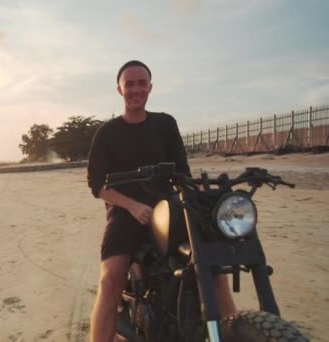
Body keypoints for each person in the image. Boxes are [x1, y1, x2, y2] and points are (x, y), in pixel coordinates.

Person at [86, 60, 235, 341]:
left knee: (213, 270)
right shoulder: (107, 133)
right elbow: (97, 186)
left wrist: (202, 195)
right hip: (124, 213)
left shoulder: (166, 124)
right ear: (119, 90)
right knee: (109, 281)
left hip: (169, 209)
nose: (136, 89)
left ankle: (230, 331)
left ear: (150, 87)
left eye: (141, 83)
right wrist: (131, 205)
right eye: (129, 84)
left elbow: (183, 174)